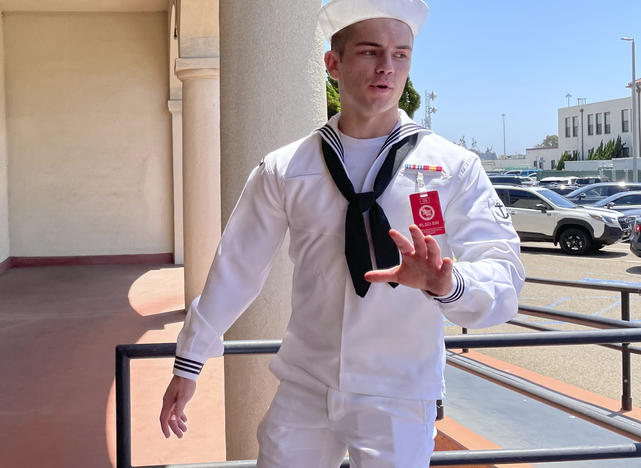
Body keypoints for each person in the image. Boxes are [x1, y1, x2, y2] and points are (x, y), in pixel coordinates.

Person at [159, 0, 525, 466]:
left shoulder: (452, 167)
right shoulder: (287, 168)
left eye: (400, 55)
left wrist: (446, 284)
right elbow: (237, 265)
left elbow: (505, 274)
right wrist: (190, 359)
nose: (387, 68)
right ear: (333, 63)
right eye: (370, 52)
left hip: (399, 393)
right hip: (304, 385)